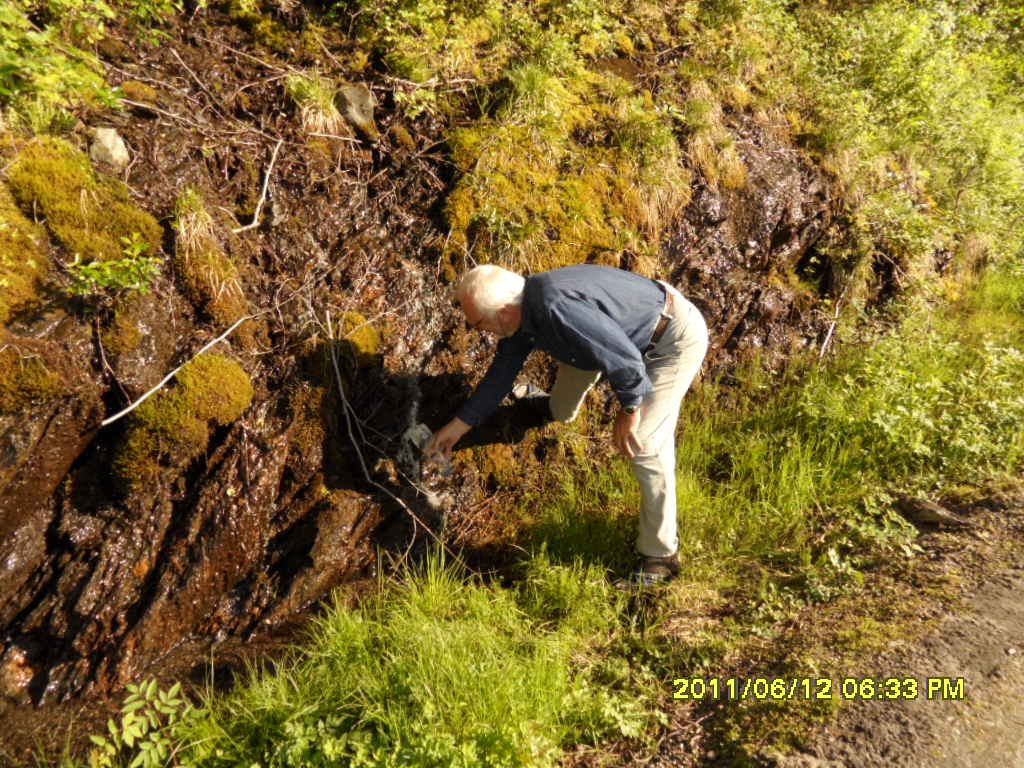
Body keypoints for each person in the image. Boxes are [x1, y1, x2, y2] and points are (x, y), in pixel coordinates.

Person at [427, 263, 709, 586]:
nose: (478, 330)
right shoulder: (525, 309)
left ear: (504, 313)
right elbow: (501, 373)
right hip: (602, 342)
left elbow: (626, 361)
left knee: (644, 443)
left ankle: (660, 557)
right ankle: (547, 406)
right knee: (560, 409)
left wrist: (630, 408)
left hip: (669, 340)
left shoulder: (557, 310)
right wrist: (457, 427)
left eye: (478, 324)